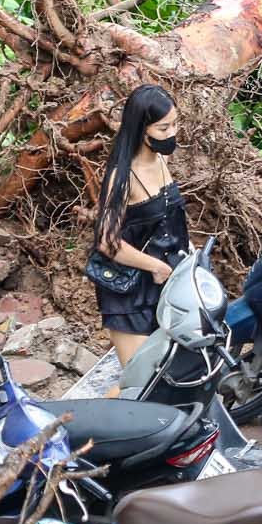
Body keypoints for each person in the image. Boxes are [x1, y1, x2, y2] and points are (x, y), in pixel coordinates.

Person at [88, 85, 190, 364]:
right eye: (163, 128)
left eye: (174, 124)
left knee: (173, 372)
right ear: (141, 128)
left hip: (166, 285)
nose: (172, 134)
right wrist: (155, 266)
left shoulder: (161, 159)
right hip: (128, 294)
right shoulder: (121, 178)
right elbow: (107, 242)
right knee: (139, 383)